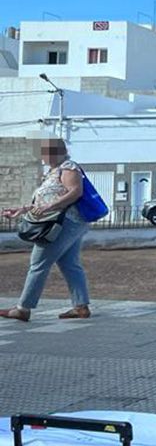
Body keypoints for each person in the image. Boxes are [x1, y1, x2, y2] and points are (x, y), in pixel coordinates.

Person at [1, 138, 93, 322]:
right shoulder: (52, 172)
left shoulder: (68, 167)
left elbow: (75, 192)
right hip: (66, 223)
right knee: (69, 263)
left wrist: (50, 207)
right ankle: (81, 306)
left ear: (54, 152)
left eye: (44, 153)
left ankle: (23, 308)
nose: (41, 157)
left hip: (64, 223)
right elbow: (43, 201)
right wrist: (21, 210)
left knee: (38, 263)